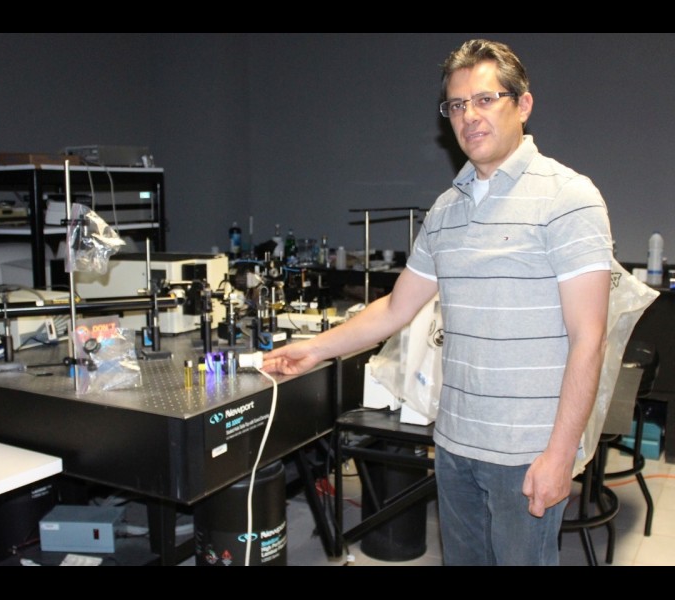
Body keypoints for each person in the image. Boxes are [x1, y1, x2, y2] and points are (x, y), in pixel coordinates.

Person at [262, 39, 613, 566]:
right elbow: (395, 309)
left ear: (523, 105)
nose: (469, 115)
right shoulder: (447, 210)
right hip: (454, 445)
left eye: (485, 99)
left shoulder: (569, 198)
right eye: (457, 104)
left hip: (527, 452)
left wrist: (561, 455)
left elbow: (590, 338)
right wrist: (314, 349)